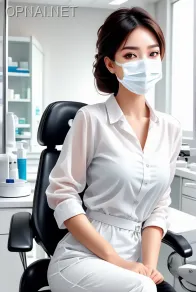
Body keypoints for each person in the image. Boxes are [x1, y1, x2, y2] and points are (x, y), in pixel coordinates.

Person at [46, 7, 181, 292]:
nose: (144, 62)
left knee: (145, 285)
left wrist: (150, 265)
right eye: (130, 55)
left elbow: (159, 206)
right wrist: (115, 260)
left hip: (134, 263)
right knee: (142, 288)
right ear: (110, 64)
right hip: (83, 258)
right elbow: (62, 193)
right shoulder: (91, 119)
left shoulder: (169, 129)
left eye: (153, 53)